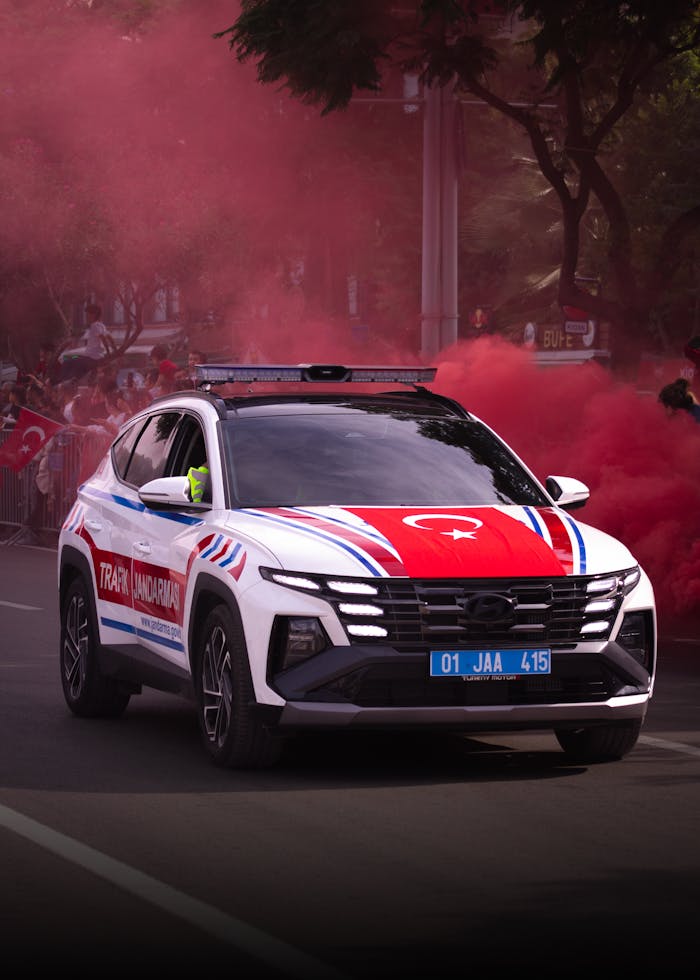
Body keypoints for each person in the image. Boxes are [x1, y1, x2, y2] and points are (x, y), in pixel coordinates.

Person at [58, 303, 115, 382]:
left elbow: (104, 339)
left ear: (94, 314)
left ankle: (63, 380)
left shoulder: (94, 326)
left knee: (66, 358)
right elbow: (110, 338)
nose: (87, 317)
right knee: (77, 362)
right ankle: (76, 379)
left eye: (88, 315)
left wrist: (108, 353)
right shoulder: (101, 325)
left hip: (90, 357)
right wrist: (113, 351)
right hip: (94, 357)